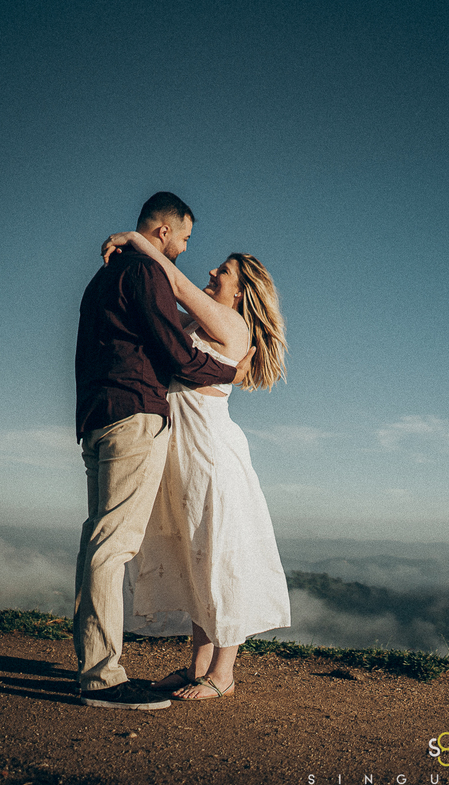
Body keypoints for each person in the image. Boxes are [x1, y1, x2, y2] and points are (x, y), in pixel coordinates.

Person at [75, 192, 254, 710]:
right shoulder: (146, 272)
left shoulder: (102, 278)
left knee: (100, 541)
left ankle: (100, 666)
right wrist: (226, 372)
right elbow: (176, 352)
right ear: (164, 232)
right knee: (112, 546)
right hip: (134, 414)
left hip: (99, 416)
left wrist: (134, 241)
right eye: (186, 238)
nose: (190, 252)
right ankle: (102, 676)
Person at [101, 230, 291, 702]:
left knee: (221, 556)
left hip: (210, 453)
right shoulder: (196, 324)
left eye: (223, 271)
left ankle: (224, 674)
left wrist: (138, 240)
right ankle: (198, 667)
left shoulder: (232, 325)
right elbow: (159, 305)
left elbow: (176, 284)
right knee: (196, 558)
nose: (211, 271)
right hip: (182, 452)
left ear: (240, 291)